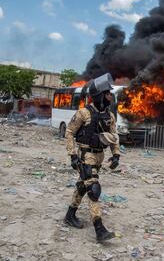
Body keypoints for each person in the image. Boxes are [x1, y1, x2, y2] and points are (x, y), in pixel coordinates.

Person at [64, 73, 121, 242]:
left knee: (83, 187)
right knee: (94, 190)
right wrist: (73, 155)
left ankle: (69, 215)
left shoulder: (109, 116)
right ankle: (100, 229)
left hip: (99, 157)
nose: (110, 96)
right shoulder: (83, 113)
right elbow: (69, 132)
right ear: (99, 96)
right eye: (107, 93)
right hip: (85, 156)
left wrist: (116, 155)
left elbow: (114, 135)